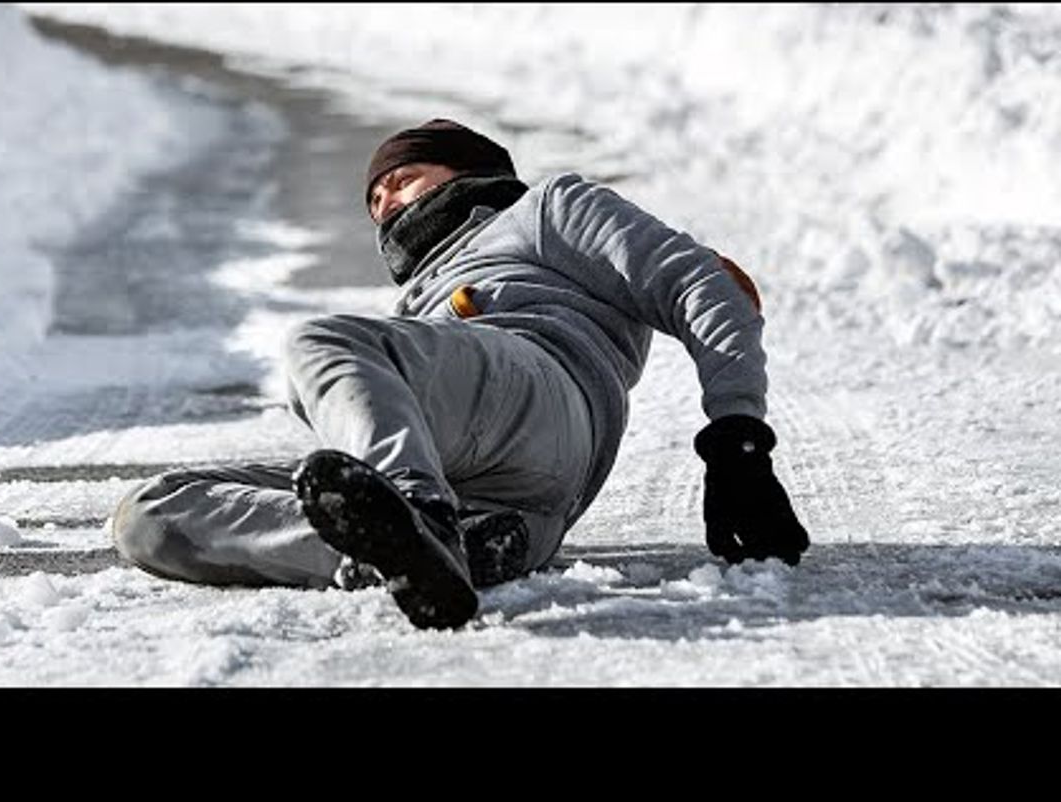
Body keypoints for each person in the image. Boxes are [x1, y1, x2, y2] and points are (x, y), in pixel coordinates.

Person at [112, 118, 810, 630]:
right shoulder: (415, 302)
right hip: (515, 500)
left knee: (321, 343)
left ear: (467, 171)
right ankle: (414, 552)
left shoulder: (546, 212)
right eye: (373, 199)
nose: (384, 202)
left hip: (543, 392)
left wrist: (737, 442)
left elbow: (703, 283)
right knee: (151, 514)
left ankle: (417, 514)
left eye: (401, 178)